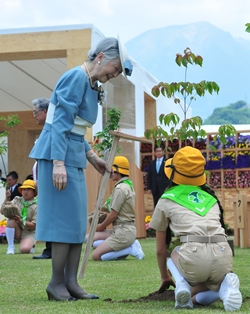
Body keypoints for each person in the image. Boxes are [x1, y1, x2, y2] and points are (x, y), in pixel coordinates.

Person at [29, 37, 133, 301]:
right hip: (57, 156)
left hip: (72, 153)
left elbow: (77, 128)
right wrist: (58, 163)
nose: (115, 73)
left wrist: (92, 156)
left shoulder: (91, 82)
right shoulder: (75, 77)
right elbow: (59, 123)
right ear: (100, 57)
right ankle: (56, 283)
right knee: (63, 223)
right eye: (116, 67)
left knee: (76, 224)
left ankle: (71, 282)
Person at [150, 146, 242, 311]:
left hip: (193, 258)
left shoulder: (166, 199)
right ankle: (223, 288)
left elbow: (160, 249)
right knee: (205, 289)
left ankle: (182, 286)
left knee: (174, 253)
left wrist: (165, 277)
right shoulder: (211, 198)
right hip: (223, 255)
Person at [89, 156, 145, 261]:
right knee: (90, 239)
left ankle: (130, 249)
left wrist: (101, 226)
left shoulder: (120, 188)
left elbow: (113, 215)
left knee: (96, 256)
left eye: (111, 170)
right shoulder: (127, 185)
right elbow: (114, 208)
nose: (110, 172)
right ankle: (126, 247)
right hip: (121, 229)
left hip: (123, 231)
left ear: (117, 170)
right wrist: (100, 207)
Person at [31, 98, 52, 260]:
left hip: (50, 182)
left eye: (35, 112)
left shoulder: (52, 130)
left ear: (45, 112)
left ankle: (51, 250)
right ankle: (49, 249)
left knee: (51, 215)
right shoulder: (44, 132)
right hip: (42, 183)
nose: (34, 116)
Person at [1, 179, 37, 254]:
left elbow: (34, 226)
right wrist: (7, 198)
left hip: (29, 232)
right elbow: (2, 211)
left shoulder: (37, 205)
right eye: (24, 189)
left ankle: (30, 246)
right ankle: (11, 247)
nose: (25, 191)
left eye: (29, 189)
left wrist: (20, 220)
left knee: (24, 250)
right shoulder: (17, 200)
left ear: (34, 192)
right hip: (18, 230)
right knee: (11, 220)